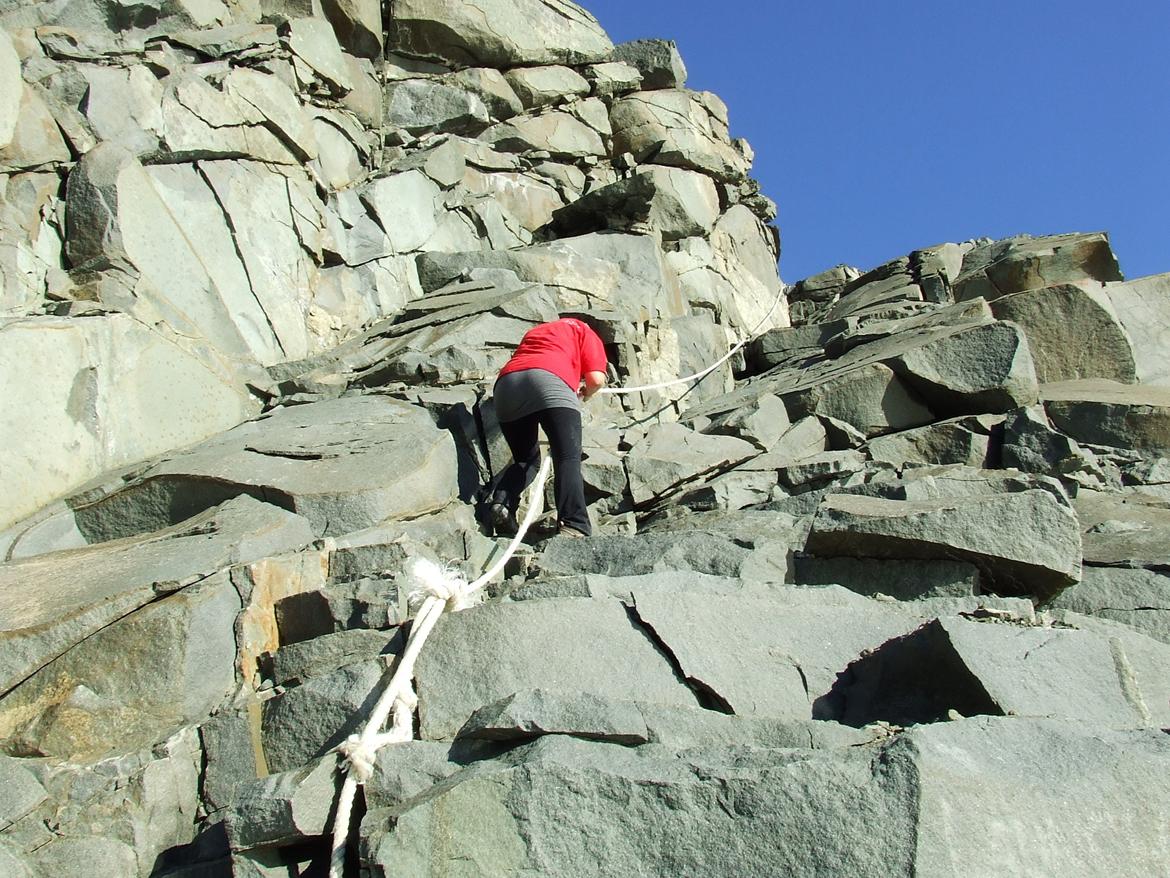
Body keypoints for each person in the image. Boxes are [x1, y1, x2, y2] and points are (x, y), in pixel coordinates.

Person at [489, 316, 608, 538]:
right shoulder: (584, 331)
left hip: (507, 384)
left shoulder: (538, 331)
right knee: (567, 457)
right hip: (550, 381)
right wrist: (587, 393)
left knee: (526, 460)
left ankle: (502, 505)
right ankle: (574, 524)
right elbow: (596, 379)